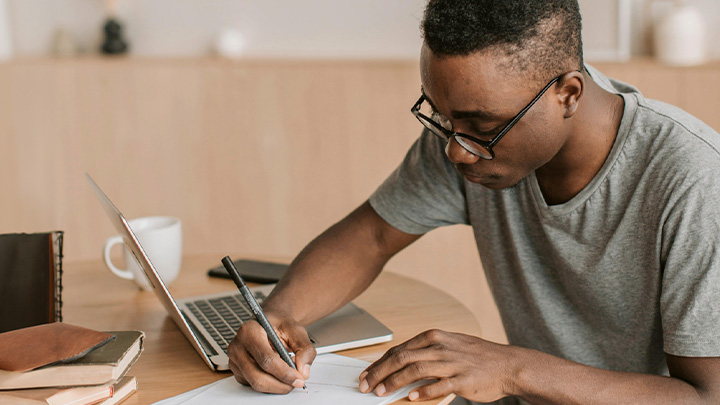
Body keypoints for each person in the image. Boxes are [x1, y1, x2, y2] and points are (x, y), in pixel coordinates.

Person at [227, 0, 720, 403]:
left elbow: (705, 396)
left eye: (482, 128)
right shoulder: (467, 131)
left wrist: (513, 368)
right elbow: (372, 235)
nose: (455, 151)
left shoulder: (693, 182)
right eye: (440, 117)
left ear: (568, 94)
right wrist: (277, 316)